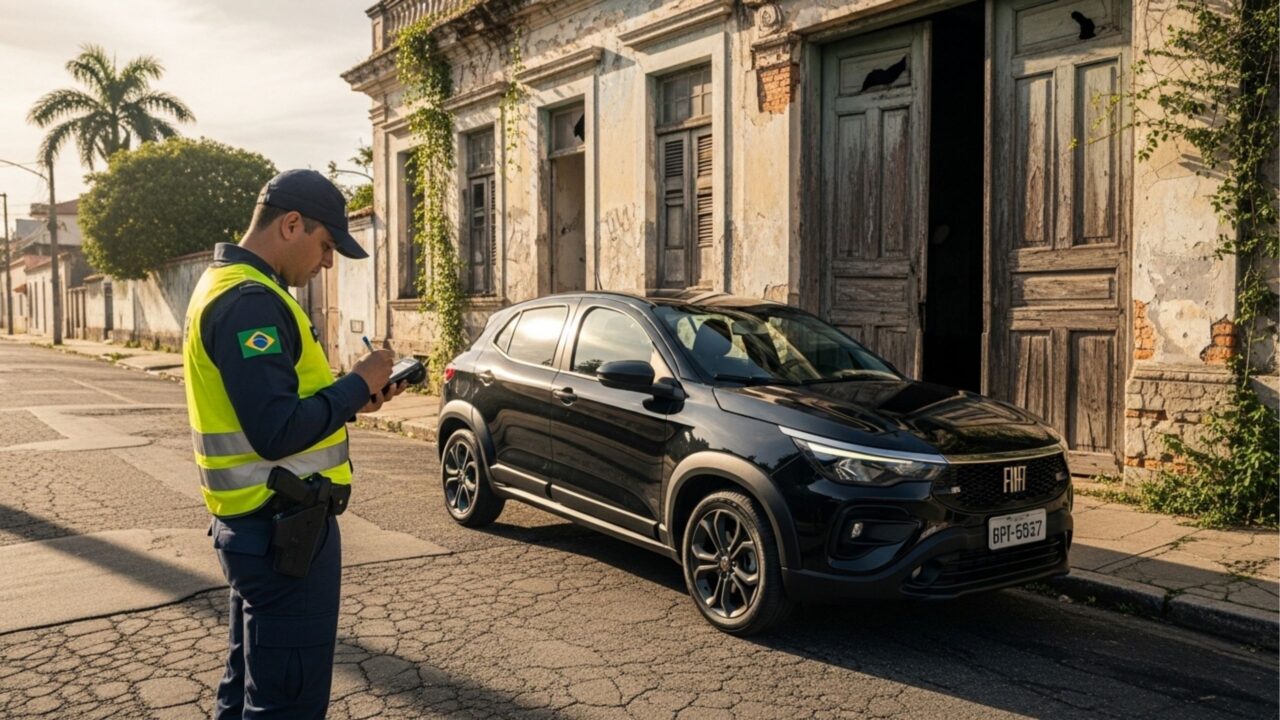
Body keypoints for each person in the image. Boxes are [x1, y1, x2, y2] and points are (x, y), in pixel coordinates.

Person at [182, 169, 407, 718]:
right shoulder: (250, 302)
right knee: (286, 706)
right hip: (281, 534)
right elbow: (275, 431)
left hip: (262, 530)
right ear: (291, 225)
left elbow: (281, 404)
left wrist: (354, 398)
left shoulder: (231, 287)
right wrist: (357, 381)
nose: (328, 263)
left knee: (246, 694)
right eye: (327, 245)